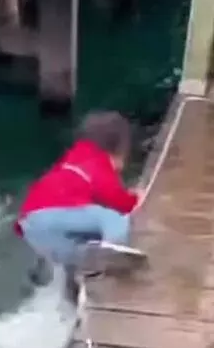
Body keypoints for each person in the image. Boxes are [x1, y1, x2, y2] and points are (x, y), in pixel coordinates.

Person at [14, 110, 142, 285]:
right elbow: (114, 197)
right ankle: (113, 252)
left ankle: (76, 283)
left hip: (30, 229)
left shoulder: (69, 161)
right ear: (115, 150)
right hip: (49, 217)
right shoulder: (96, 159)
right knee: (112, 218)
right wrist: (134, 200)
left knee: (84, 251)